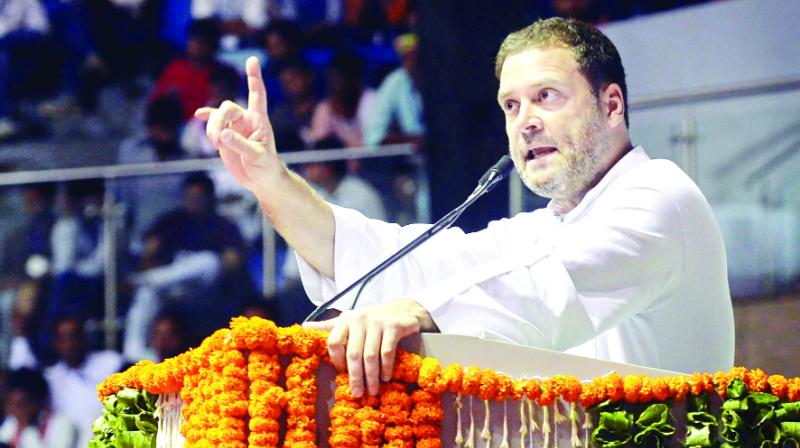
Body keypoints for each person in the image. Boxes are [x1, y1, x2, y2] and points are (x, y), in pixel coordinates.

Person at [196, 17, 735, 399]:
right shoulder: (542, 230)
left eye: (546, 96)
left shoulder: (660, 196)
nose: (525, 121)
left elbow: (547, 289)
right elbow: (400, 262)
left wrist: (416, 311)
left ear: (611, 104)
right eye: (511, 105)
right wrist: (271, 181)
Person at [44, 316, 122, 448]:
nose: (70, 344)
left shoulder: (111, 363)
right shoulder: (51, 377)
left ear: (84, 338)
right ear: (56, 343)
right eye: (63, 339)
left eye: (74, 337)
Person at [0, 368, 77, 448]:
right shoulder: (11, 423)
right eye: (10, 404)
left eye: (19, 405)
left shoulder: (62, 424)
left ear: (36, 402)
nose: (13, 411)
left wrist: (30, 430)